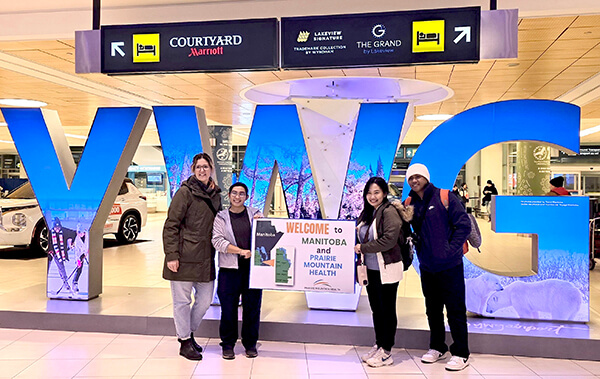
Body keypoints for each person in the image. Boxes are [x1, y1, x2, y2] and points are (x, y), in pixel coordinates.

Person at [405, 163, 472, 371]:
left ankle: (461, 352)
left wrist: (450, 250)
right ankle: (437, 347)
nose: (414, 181)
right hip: (427, 266)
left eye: (418, 177)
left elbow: (464, 225)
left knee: (455, 310)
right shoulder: (409, 202)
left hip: (450, 265)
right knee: (432, 310)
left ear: (426, 177)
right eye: (411, 178)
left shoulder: (445, 197)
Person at [163, 152, 222, 361]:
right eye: (198, 167)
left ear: (211, 169)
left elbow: (223, 221)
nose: (202, 170)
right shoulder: (184, 193)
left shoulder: (216, 195)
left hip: (206, 257)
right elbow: (171, 225)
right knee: (181, 301)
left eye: (205, 166)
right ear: (193, 170)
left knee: (205, 300)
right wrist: (172, 255)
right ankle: (184, 341)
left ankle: (188, 332)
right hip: (184, 256)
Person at [354, 177, 411, 368]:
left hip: (387, 268)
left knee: (387, 309)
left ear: (384, 193)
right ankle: (379, 344)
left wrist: (363, 247)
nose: (372, 196)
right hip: (370, 269)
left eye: (376, 192)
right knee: (377, 310)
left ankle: (387, 351)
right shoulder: (368, 213)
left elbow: (389, 240)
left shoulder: (389, 212)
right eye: (369, 193)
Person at [212, 182, 263, 360]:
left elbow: (265, 235)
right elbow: (217, 241)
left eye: (242, 194)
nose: (237, 197)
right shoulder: (221, 217)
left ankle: (250, 344)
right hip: (229, 270)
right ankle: (228, 344)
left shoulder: (255, 214)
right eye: (234, 193)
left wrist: (262, 223)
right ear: (229, 195)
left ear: (247, 197)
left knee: (252, 308)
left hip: (252, 270)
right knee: (228, 309)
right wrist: (240, 251)